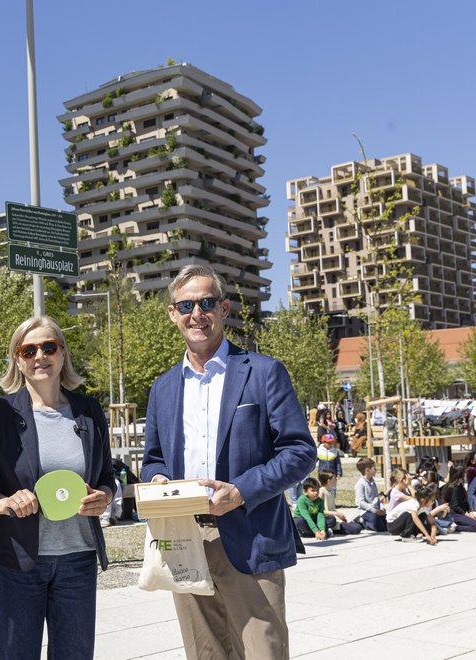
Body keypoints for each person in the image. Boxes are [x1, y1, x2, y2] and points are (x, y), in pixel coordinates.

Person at [141, 264, 316, 660]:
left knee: (262, 652)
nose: (196, 314)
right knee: (204, 654)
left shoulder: (264, 372)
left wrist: (240, 491)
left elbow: (299, 451)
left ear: (223, 309)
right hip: (185, 540)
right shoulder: (164, 386)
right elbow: (153, 459)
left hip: (250, 537)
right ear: (172, 313)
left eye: (206, 303)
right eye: (185, 305)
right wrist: (158, 480)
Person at [0, 315, 115, 660]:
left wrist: (104, 497)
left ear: (63, 354)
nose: (40, 356)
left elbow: (107, 475)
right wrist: (3, 503)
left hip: (78, 559)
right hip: (18, 561)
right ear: (17, 359)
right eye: (28, 350)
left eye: (49, 347)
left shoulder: (89, 411)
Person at [317, 470, 361, 535]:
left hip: (335, 517)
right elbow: (319, 510)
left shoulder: (331, 490)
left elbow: (332, 508)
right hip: (329, 518)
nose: (336, 479)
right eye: (334, 478)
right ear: (328, 481)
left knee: (358, 527)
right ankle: (331, 529)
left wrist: (339, 516)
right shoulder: (321, 491)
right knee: (355, 529)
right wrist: (337, 514)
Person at [354, 457, 387, 531]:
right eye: (374, 468)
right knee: (379, 527)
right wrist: (375, 511)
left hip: (376, 509)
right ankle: (361, 520)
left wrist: (381, 507)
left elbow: (376, 498)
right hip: (366, 511)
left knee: (387, 524)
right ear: (367, 470)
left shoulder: (372, 481)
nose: (376, 470)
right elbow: (360, 502)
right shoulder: (360, 484)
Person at [441, 465, 476, 532]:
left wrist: (470, 512)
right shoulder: (454, 488)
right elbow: (455, 506)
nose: (466, 474)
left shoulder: (460, 485)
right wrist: (466, 514)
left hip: (461, 513)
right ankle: (453, 527)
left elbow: (466, 502)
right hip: (454, 514)